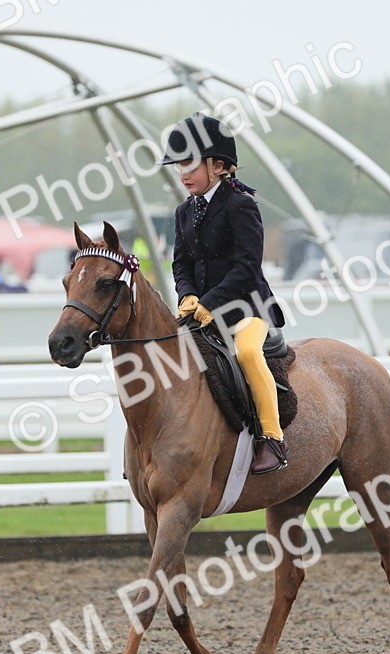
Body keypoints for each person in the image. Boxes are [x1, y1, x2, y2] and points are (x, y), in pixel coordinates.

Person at [163, 113, 289, 474]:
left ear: (218, 165)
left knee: (247, 353)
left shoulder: (241, 205)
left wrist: (211, 303)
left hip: (246, 308)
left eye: (189, 163)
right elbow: (181, 264)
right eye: (178, 166)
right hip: (200, 311)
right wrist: (187, 295)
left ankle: (272, 437)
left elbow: (246, 266)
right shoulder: (184, 211)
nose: (183, 173)